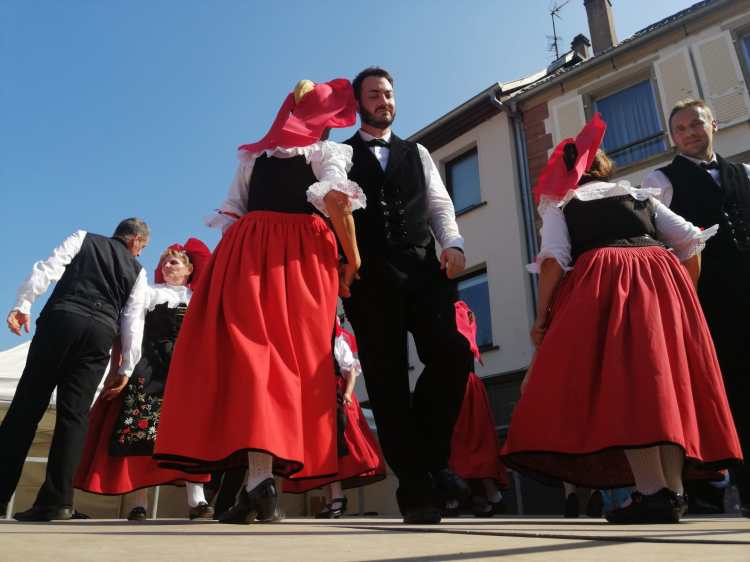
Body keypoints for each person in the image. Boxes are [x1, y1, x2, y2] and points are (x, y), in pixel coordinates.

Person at [501, 114, 742, 524]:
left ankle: (651, 492)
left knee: (626, 386)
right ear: (603, 165)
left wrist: (542, 318)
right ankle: (673, 492)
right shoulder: (638, 194)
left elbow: (554, 260)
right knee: (662, 386)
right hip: (661, 278)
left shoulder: (562, 202)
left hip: (605, 283)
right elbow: (690, 239)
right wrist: (685, 294)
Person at [153, 78, 365, 525]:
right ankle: (259, 484)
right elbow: (336, 202)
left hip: (248, 254)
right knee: (284, 364)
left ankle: (259, 485)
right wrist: (353, 258)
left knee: (253, 362)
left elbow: (233, 213)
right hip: (301, 259)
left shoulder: (255, 158)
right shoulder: (325, 153)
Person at [341, 66, 474, 525]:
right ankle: (415, 487)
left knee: (453, 352)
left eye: (388, 94)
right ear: (358, 103)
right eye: (374, 94)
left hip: (423, 269)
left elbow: (439, 203)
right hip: (368, 280)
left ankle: (433, 458)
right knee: (387, 381)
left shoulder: (417, 152)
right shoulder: (338, 154)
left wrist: (453, 243)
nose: (384, 101)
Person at [0, 218, 150, 521]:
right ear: (135, 240)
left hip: (63, 320)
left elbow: (48, 268)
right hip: (99, 334)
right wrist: (126, 367)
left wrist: (23, 303)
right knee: (74, 417)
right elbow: (133, 321)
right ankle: (58, 501)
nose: (139, 254)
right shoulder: (138, 271)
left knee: (26, 408)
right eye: (142, 248)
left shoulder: (83, 238)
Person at [643, 99, 750, 518]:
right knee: (726, 392)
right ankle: (728, 488)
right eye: (680, 128)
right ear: (672, 137)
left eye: (696, 124)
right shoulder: (659, 180)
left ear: (713, 125)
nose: (689, 133)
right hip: (705, 301)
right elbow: (654, 242)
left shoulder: (744, 173)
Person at [74, 240, 214, 521]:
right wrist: (125, 366)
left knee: (189, 432)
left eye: (174, 261)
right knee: (141, 431)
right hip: (150, 366)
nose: (167, 265)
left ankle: (197, 500)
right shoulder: (149, 293)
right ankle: (138, 502)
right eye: (164, 262)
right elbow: (131, 326)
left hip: (186, 369)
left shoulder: (198, 297)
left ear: (189, 269)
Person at [282, 314, 386, 518]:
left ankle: (337, 498)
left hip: (334, 399)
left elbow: (351, 369)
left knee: (334, 449)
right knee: (324, 451)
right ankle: (333, 498)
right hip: (318, 401)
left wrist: (347, 393)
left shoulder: (337, 340)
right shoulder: (312, 342)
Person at [445, 302, 507, 518]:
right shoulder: (464, 314)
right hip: (464, 384)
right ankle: (488, 495)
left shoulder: (456, 312)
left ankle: (461, 497)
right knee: (473, 441)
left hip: (459, 386)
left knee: (460, 440)